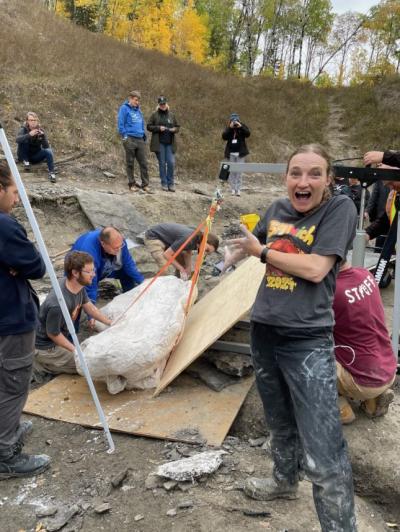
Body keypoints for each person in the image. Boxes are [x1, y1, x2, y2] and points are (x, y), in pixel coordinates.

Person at [229, 144, 358, 531]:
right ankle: (284, 481)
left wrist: (262, 251)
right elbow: (245, 248)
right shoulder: (274, 209)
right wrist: (219, 252)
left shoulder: (339, 210)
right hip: (264, 331)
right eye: (296, 173)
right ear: (286, 179)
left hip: (307, 340)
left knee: (324, 447)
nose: (304, 182)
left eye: (314, 173)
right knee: (279, 420)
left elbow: (318, 269)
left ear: (328, 180)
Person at [0, 161, 50, 478]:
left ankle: (10, 428)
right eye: (14, 192)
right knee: (14, 384)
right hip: (10, 318)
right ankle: (5, 453)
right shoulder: (4, 226)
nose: (17, 200)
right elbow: (37, 265)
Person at [333, 260, 396, 424]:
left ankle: (340, 409)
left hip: (363, 381)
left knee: (305, 357)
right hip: (387, 368)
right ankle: (373, 401)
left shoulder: (331, 291)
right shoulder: (365, 274)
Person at [34, 251, 112, 377]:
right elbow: (53, 334)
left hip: (57, 337)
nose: (93, 274)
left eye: (94, 270)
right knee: (88, 366)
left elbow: (89, 307)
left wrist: (110, 322)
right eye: (89, 271)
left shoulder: (77, 286)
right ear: (75, 273)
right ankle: (42, 366)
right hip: (47, 347)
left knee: (90, 358)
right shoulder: (57, 303)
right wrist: (76, 351)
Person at [71, 227, 144, 309]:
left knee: (126, 273)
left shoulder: (119, 242)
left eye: (121, 245)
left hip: (105, 266)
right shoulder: (88, 252)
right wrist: (92, 314)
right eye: (116, 248)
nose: (119, 249)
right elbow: (90, 284)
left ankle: (131, 302)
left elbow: (128, 264)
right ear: (103, 244)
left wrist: (143, 283)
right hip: (81, 272)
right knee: (77, 298)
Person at [144, 223, 219, 279]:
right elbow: (166, 255)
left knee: (183, 263)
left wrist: (188, 267)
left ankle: (178, 280)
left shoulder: (198, 240)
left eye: (208, 253)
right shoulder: (189, 238)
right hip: (154, 237)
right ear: (206, 240)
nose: (204, 253)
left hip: (168, 241)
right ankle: (157, 288)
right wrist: (181, 269)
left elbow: (187, 252)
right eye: (207, 250)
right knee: (164, 268)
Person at [117, 90, 152, 193]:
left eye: (138, 101)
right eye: (136, 100)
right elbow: (120, 124)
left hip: (140, 139)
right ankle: (132, 184)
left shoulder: (138, 110)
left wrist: (143, 134)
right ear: (130, 99)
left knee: (143, 163)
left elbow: (141, 123)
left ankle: (145, 185)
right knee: (130, 162)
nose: (137, 102)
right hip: (130, 138)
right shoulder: (124, 108)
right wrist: (125, 137)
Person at [147, 96, 180, 192]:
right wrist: (158, 128)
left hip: (170, 143)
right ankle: (164, 183)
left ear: (166, 104)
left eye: (164, 104)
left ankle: (171, 183)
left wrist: (174, 129)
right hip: (159, 143)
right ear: (158, 105)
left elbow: (177, 127)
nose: (163, 106)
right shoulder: (154, 115)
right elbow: (149, 126)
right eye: (161, 104)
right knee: (162, 163)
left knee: (171, 162)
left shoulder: (171, 115)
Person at [16, 112, 56, 183]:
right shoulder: (23, 129)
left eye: (35, 120)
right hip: (23, 155)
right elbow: (17, 140)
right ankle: (26, 162)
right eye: (31, 120)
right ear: (27, 121)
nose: (33, 122)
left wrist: (43, 137)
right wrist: (29, 135)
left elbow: (46, 147)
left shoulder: (40, 130)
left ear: (37, 121)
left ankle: (52, 173)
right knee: (24, 140)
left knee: (49, 151)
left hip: (35, 157)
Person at [222, 113, 250, 197]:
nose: (234, 122)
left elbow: (248, 134)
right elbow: (224, 137)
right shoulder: (229, 128)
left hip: (240, 153)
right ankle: (233, 189)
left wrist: (240, 126)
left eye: (236, 120)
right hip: (230, 153)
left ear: (239, 120)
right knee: (231, 172)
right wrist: (230, 128)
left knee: (239, 172)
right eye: (233, 120)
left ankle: (238, 189)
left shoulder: (242, 127)